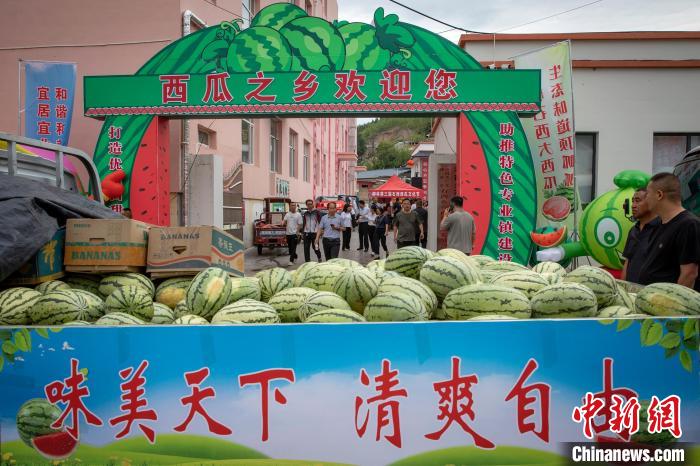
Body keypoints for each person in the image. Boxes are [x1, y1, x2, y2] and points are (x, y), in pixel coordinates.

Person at [638, 173, 699, 291]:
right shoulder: (658, 225)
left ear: (659, 195)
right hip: (651, 300)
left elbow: (689, 274)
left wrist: (675, 304)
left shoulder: (688, 225)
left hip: (668, 305)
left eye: (648, 194)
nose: (646, 199)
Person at [621, 188, 660, 283]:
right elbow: (627, 261)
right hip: (631, 292)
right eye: (632, 201)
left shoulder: (662, 228)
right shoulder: (633, 230)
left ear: (651, 202)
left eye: (638, 201)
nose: (633, 206)